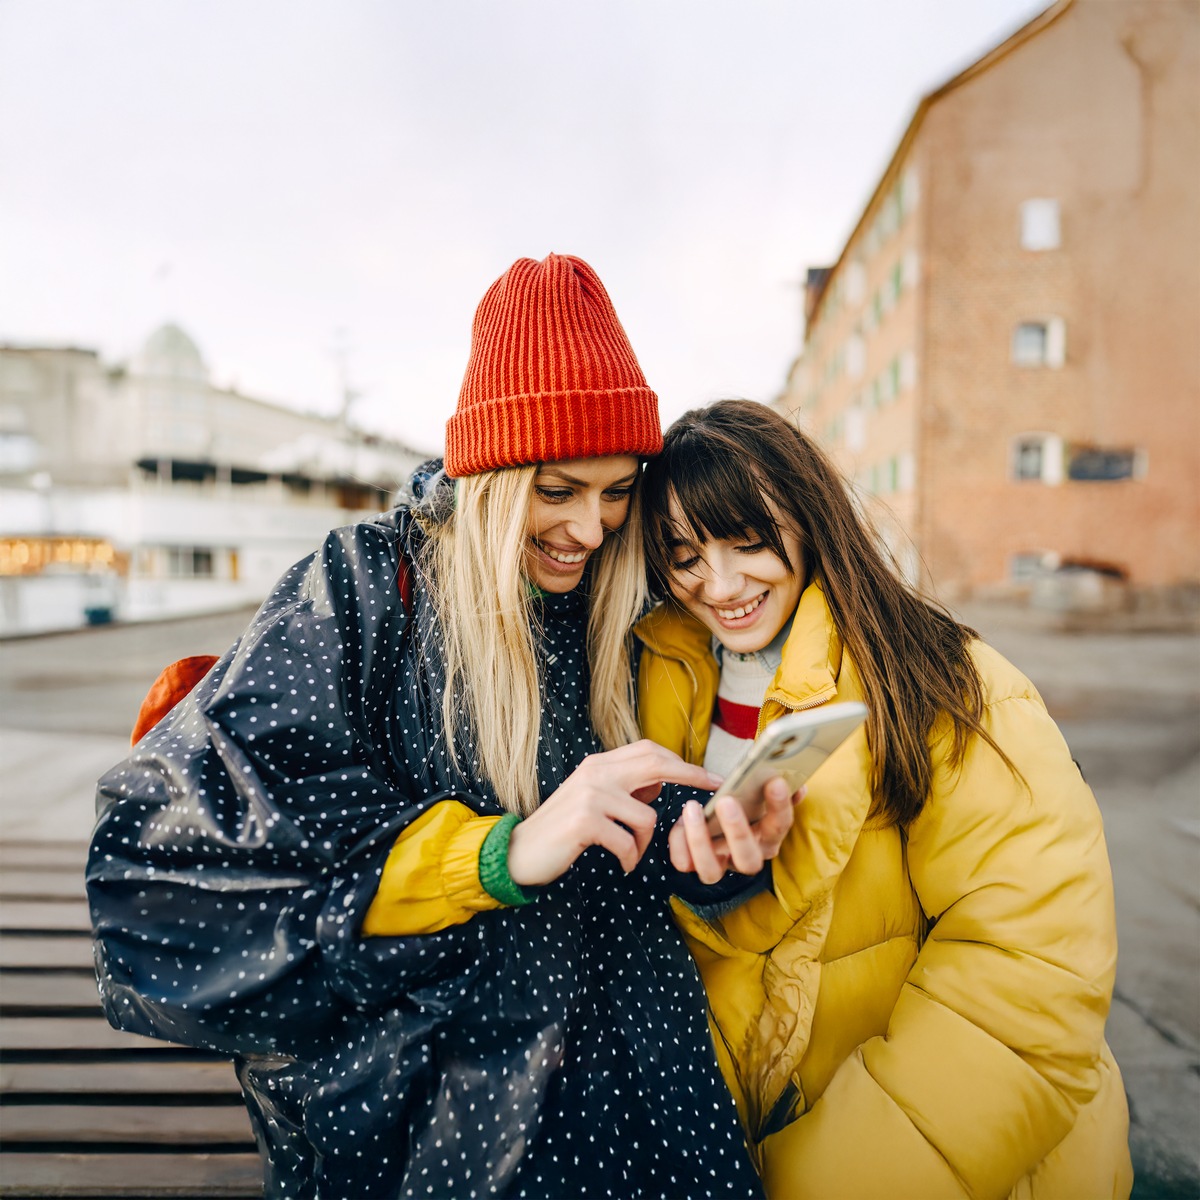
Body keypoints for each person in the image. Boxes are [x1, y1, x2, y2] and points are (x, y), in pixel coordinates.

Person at [87, 259, 787, 1200]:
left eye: (618, 490)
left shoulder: (620, 593)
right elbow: (178, 866)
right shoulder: (368, 587)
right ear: (492, 473)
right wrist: (495, 855)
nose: (591, 525)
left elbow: (618, 834)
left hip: (643, 1090)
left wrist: (707, 850)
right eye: (558, 489)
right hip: (441, 1119)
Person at [635, 399, 1133, 1200]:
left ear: (808, 519)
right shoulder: (652, 676)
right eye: (686, 555)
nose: (719, 585)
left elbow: (1026, 981)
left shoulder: (948, 683)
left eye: (748, 542)